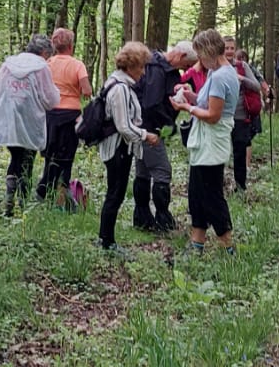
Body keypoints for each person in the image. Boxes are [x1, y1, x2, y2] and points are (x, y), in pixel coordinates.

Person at [172, 29, 238, 254]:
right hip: (205, 142)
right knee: (196, 193)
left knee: (211, 194)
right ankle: (197, 243)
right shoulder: (216, 72)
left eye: (200, 54)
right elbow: (206, 102)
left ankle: (228, 246)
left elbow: (213, 115)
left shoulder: (220, 77)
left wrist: (186, 108)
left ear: (209, 51)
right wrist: (190, 95)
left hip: (212, 140)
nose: (198, 59)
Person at [0, 34, 60, 217]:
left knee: (16, 157)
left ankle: (9, 199)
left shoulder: (8, 66)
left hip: (8, 121)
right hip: (31, 123)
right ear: (44, 52)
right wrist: (56, 92)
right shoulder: (42, 68)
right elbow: (51, 100)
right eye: (48, 55)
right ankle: (23, 206)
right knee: (27, 161)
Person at [96, 42, 160, 256]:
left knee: (115, 193)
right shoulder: (120, 89)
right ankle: (107, 242)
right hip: (118, 148)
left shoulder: (117, 83)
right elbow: (124, 126)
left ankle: (106, 238)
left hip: (119, 147)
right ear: (130, 66)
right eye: (141, 67)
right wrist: (146, 135)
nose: (143, 72)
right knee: (115, 194)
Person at [36, 28, 92, 208]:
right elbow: (87, 91)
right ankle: (59, 193)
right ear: (71, 46)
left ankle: (47, 191)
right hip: (70, 116)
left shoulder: (48, 64)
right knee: (66, 157)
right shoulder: (77, 65)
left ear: (54, 46)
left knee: (50, 155)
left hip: (50, 114)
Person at [131, 45, 179, 233]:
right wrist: (168, 123)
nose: (186, 68)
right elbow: (152, 103)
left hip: (140, 126)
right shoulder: (157, 70)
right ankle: (162, 218)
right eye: (187, 63)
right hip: (150, 129)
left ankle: (142, 217)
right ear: (180, 55)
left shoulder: (154, 65)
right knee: (162, 171)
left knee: (143, 171)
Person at [228, 44, 261, 191]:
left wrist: (242, 78)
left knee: (240, 150)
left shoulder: (242, 66)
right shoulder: (215, 66)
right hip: (220, 115)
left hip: (240, 115)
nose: (229, 51)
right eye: (226, 48)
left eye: (231, 48)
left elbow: (256, 86)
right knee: (219, 151)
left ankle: (240, 186)